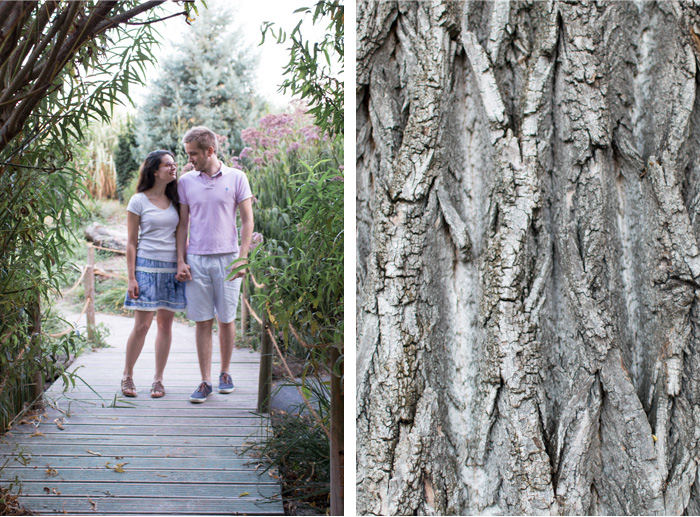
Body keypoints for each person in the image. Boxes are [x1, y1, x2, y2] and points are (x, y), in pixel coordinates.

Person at [175, 126, 254, 404]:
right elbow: (183, 223)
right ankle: (205, 381)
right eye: (188, 154)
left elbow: (247, 221)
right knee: (202, 321)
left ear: (210, 151)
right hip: (196, 260)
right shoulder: (185, 181)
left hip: (229, 259)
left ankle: (225, 373)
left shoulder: (237, 177)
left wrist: (243, 257)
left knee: (227, 319)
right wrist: (180, 260)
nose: (190, 159)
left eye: (194, 153)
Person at [122, 150, 186, 398]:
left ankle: (158, 380)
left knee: (165, 326)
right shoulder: (138, 200)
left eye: (174, 164)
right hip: (145, 268)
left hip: (170, 269)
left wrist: (181, 262)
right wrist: (131, 276)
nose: (173, 168)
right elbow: (130, 242)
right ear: (154, 170)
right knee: (143, 325)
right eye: (168, 165)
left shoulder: (176, 199)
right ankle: (127, 375)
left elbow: (181, 232)